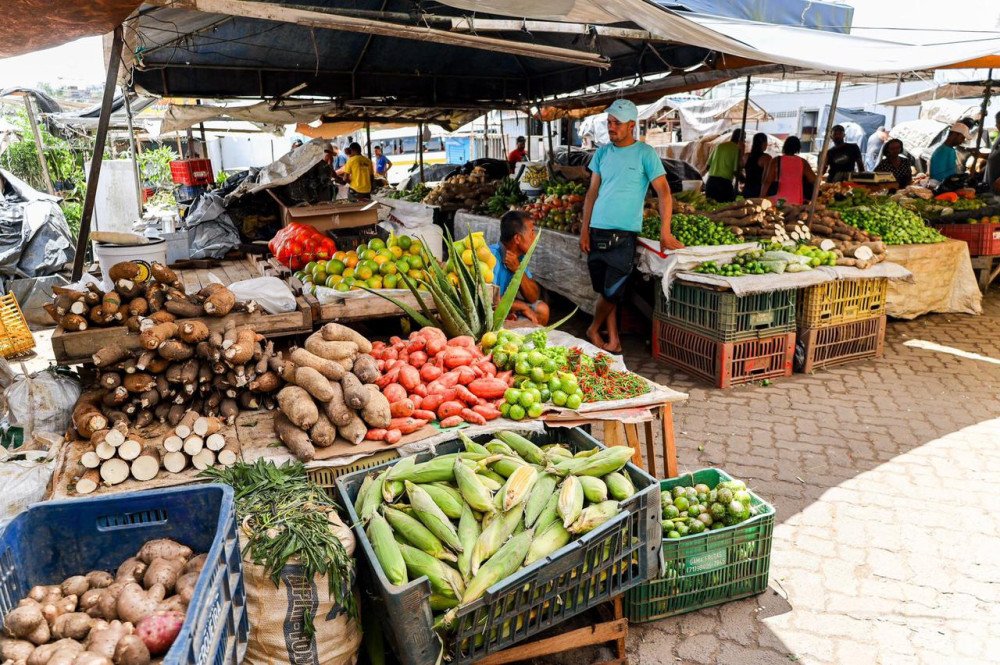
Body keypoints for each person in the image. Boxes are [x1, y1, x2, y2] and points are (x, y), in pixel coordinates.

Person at [580, 99, 678, 353]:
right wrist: (584, 229)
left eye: (617, 123)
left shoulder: (645, 154)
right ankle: (613, 339)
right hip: (597, 230)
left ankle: (593, 328)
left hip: (624, 234)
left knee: (613, 291)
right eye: (609, 122)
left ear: (632, 125)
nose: (611, 127)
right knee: (604, 290)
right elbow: (591, 194)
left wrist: (664, 232)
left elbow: (664, 193)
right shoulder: (601, 153)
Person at [490, 210, 550, 326]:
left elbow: (533, 297)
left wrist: (518, 270)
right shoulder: (491, 256)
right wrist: (522, 307)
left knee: (542, 309)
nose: (535, 238)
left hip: (502, 306)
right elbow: (487, 299)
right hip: (488, 312)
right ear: (517, 238)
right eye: (532, 233)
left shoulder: (520, 257)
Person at [760, 136, 816, 206]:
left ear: (785, 146)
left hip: (779, 201)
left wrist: (761, 197)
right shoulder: (802, 162)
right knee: (793, 216)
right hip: (796, 200)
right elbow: (813, 179)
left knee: (778, 214)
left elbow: (767, 181)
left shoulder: (776, 160)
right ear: (798, 148)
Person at [703, 129, 743, 202]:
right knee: (724, 208)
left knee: (709, 209)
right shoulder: (737, 149)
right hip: (723, 184)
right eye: (745, 138)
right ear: (741, 139)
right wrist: (744, 180)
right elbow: (735, 171)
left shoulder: (719, 146)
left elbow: (708, 167)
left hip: (710, 182)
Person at [741, 132, 772, 198]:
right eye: (766, 143)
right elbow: (766, 179)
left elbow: (737, 170)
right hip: (759, 192)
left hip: (747, 190)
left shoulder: (746, 156)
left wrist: (744, 180)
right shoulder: (767, 158)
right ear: (763, 143)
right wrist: (762, 196)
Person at [982, 111, 1000, 193]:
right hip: (991, 183)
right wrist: (980, 155)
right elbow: (995, 155)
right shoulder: (999, 137)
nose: (996, 125)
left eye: (997, 123)